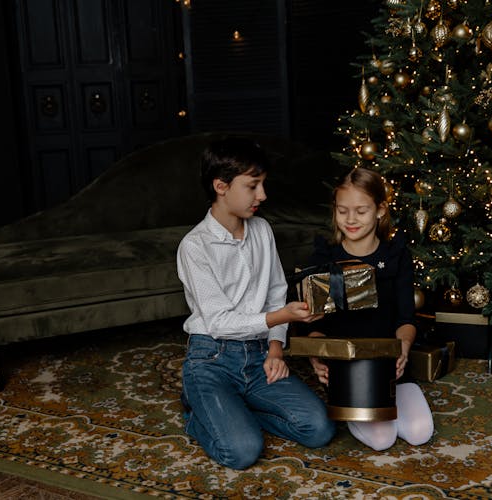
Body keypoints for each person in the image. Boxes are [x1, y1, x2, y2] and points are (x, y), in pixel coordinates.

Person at [176, 137, 336, 470]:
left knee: (319, 429)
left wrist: (276, 350)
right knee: (242, 452)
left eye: (262, 185)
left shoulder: (261, 230)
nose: (262, 196)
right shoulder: (194, 247)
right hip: (212, 359)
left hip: (259, 356)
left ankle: (235, 410)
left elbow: (277, 290)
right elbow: (219, 322)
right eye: (252, 186)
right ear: (221, 186)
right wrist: (281, 316)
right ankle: (199, 412)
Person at [305, 167, 434, 451]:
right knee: (381, 439)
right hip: (345, 370)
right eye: (342, 211)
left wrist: (402, 348)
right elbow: (311, 324)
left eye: (361, 211)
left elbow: (406, 318)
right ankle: (348, 406)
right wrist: (318, 357)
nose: (350, 220)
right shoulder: (325, 256)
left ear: (380, 210)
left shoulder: (396, 253)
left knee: (420, 432)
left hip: (390, 366)